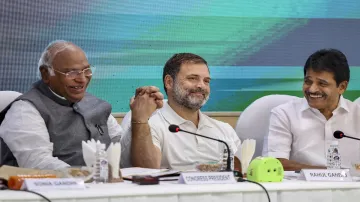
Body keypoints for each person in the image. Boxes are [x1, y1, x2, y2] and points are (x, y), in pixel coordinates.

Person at [0, 40, 163, 169]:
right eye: (71, 72)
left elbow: (119, 153)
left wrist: (139, 119)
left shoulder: (97, 105)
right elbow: (37, 163)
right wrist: (86, 177)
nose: (82, 79)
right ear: (46, 73)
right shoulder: (25, 109)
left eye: (87, 71)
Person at [124, 53, 241, 170]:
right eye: (192, 78)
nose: (201, 85)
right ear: (169, 82)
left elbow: (242, 176)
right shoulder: (148, 123)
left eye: (206, 81)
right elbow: (146, 170)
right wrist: (140, 120)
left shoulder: (224, 130)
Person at [263, 48, 360, 170]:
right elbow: (274, 163)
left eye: (322, 84)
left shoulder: (357, 115)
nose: (312, 89)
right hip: (301, 187)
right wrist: (330, 173)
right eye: (308, 82)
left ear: (341, 87)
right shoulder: (284, 114)